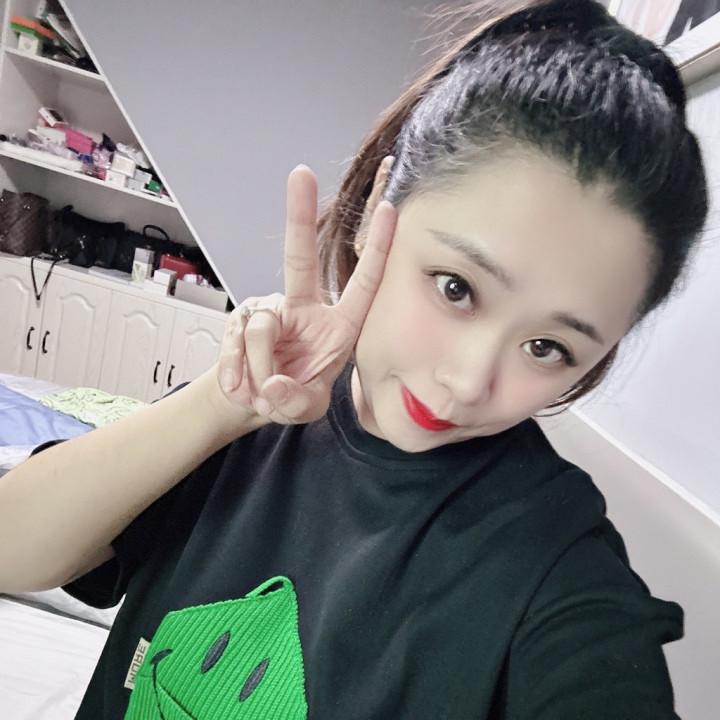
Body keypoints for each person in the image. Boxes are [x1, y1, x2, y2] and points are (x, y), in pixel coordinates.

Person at [0, 0, 709, 717]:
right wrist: (222, 404)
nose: (466, 383)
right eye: (456, 288)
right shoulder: (246, 423)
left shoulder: (555, 566)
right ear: (375, 213)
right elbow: (12, 549)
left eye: (547, 348)